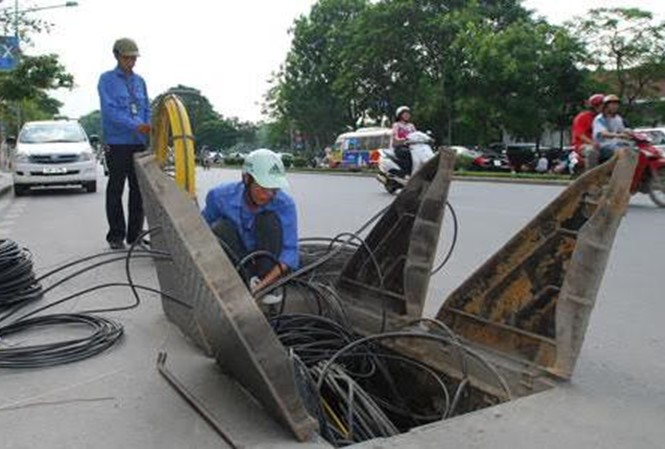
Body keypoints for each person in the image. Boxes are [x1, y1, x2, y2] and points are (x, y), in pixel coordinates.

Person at [201, 149, 298, 299]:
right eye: (263, 188)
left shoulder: (284, 204)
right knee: (219, 227)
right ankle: (241, 280)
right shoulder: (219, 197)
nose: (268, 195)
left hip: (266, 262)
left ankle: (264, 285)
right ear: (246, 179)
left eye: (274, 190)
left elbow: (289, 253)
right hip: (236, 259)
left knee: (269, 220)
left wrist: (261, 288)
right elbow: (200, 232)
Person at [98, 38, 151, 250]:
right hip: (117, 142)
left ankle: (135, 235)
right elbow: (110, 111)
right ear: (117, 56)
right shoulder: (106, 80)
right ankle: (116, 236)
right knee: (116, 188)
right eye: (127, 57)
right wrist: (134, 125)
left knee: (138, 190)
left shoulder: (140, 81)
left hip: (139, 142)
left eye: (134, 58)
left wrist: (147, 125)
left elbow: (146, 106)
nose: (132, 61)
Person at [592, 94, 631, 162]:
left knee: (635, 150)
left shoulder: (618, 118)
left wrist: (628, 132)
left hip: (617, 144)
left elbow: (622, 130)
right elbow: (603, 133)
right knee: (623, 153)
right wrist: (618, 135)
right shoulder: (600, 119)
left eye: (616, 105)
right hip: (604, 146)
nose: (615, 107)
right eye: (612, 105)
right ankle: (622, 172)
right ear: (606, 106)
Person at [572, 93, 604, 169]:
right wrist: (592, 143)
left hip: (602, 144)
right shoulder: (583, 117)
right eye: (602, 105)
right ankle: (592, 177)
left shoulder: (606, 119)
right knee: (592, 152)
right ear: (594, 106)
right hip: (584, 145)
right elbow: (580, 135)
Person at [391, 105, 416, 177]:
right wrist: (403, 140)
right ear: (400, 115)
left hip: (411, 146)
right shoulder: (396, 125)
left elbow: (416, 135)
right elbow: (395, 137)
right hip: (400, 147)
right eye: (405, 113)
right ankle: (406, 173)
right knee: (407, 153)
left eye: (408, 113)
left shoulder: (411, 126)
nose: (407, 115)